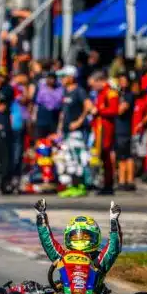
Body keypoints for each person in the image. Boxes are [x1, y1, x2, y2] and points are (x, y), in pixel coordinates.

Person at [34, 198, 121, 294]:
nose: (80, 240)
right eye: (75, 237)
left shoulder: (99, 261)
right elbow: (49, 244)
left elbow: (113, 248)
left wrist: (114, 222)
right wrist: (41, 218)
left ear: (95, 237)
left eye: (85, 236)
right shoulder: (63, 257)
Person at [56, 65, 92, 198]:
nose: (61, 79)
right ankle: (72, 185)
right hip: (66, 132)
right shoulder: (66, 92)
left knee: (78, 158)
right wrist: (60, 128)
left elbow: (89, 106)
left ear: (71, 77)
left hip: (77, 132)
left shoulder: (79, 91)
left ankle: (80, 186)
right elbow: (63, 112)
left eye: (64, 76)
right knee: (69, 159)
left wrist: (79, 121)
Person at [90, 71, 119, 195]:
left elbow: (114, 110)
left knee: (106, 155)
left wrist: (99, 110)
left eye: (94, 84)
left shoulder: (110, 92)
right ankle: (104, 183)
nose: (93, 87)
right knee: (102, 156)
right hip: (99, 128)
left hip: (106, 129)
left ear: (100, 81)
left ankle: (108, 184)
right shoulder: (101, 93)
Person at [115, 72, 136, 191]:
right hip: (118, 128)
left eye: (124, 81)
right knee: (121, 156)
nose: (122, 83)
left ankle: (129, 180)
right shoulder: (118, 94)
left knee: (126, 155)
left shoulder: (129, 95)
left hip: (125, 128)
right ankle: (122, 180)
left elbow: (121, 110)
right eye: (120, 80)